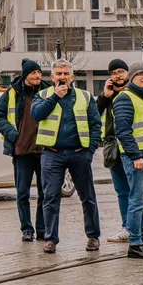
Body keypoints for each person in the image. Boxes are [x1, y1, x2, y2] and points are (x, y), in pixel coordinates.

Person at [31, 59, 102, 254]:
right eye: (58, 74)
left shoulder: (85, 97)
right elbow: (36, 114)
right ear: (52, 77)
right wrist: (54, 97)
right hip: (52, 154)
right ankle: (51, 239)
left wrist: (90, 150)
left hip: (79, 153)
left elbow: (96, 125)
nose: (62, 77)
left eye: (65, 74)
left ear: (72, 76)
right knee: (50, 197)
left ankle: (93, 236)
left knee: (87, 197)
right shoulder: (43, 95)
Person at [97, 59, 143, 243]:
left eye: (121, 71)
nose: (118, 75)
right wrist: (104, 97)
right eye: (113, 72)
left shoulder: (136, 95)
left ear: (128, 74)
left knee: (141, 194)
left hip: (136, 151)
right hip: (115, 148)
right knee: (125, 191)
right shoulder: (111, 96)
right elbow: (94, 115)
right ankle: (130, 230)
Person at [0, 58, 51, 242]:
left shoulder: (48, 91)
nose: (37, 76)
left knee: (46, 193)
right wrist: (13, 135)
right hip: (21, 151)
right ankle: (27, 229)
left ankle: (42, 229)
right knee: (22, 193)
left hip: (45, 150)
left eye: (39, 72)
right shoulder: (13, 93)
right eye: (34, 73)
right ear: (26, 75)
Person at [111, 62, 143, 260]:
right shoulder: (125, 98)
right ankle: (135, 243)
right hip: (137, 159)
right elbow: (123, 131)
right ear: (131, 78)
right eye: (140, 74)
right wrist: (136, 156)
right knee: (137, 201)